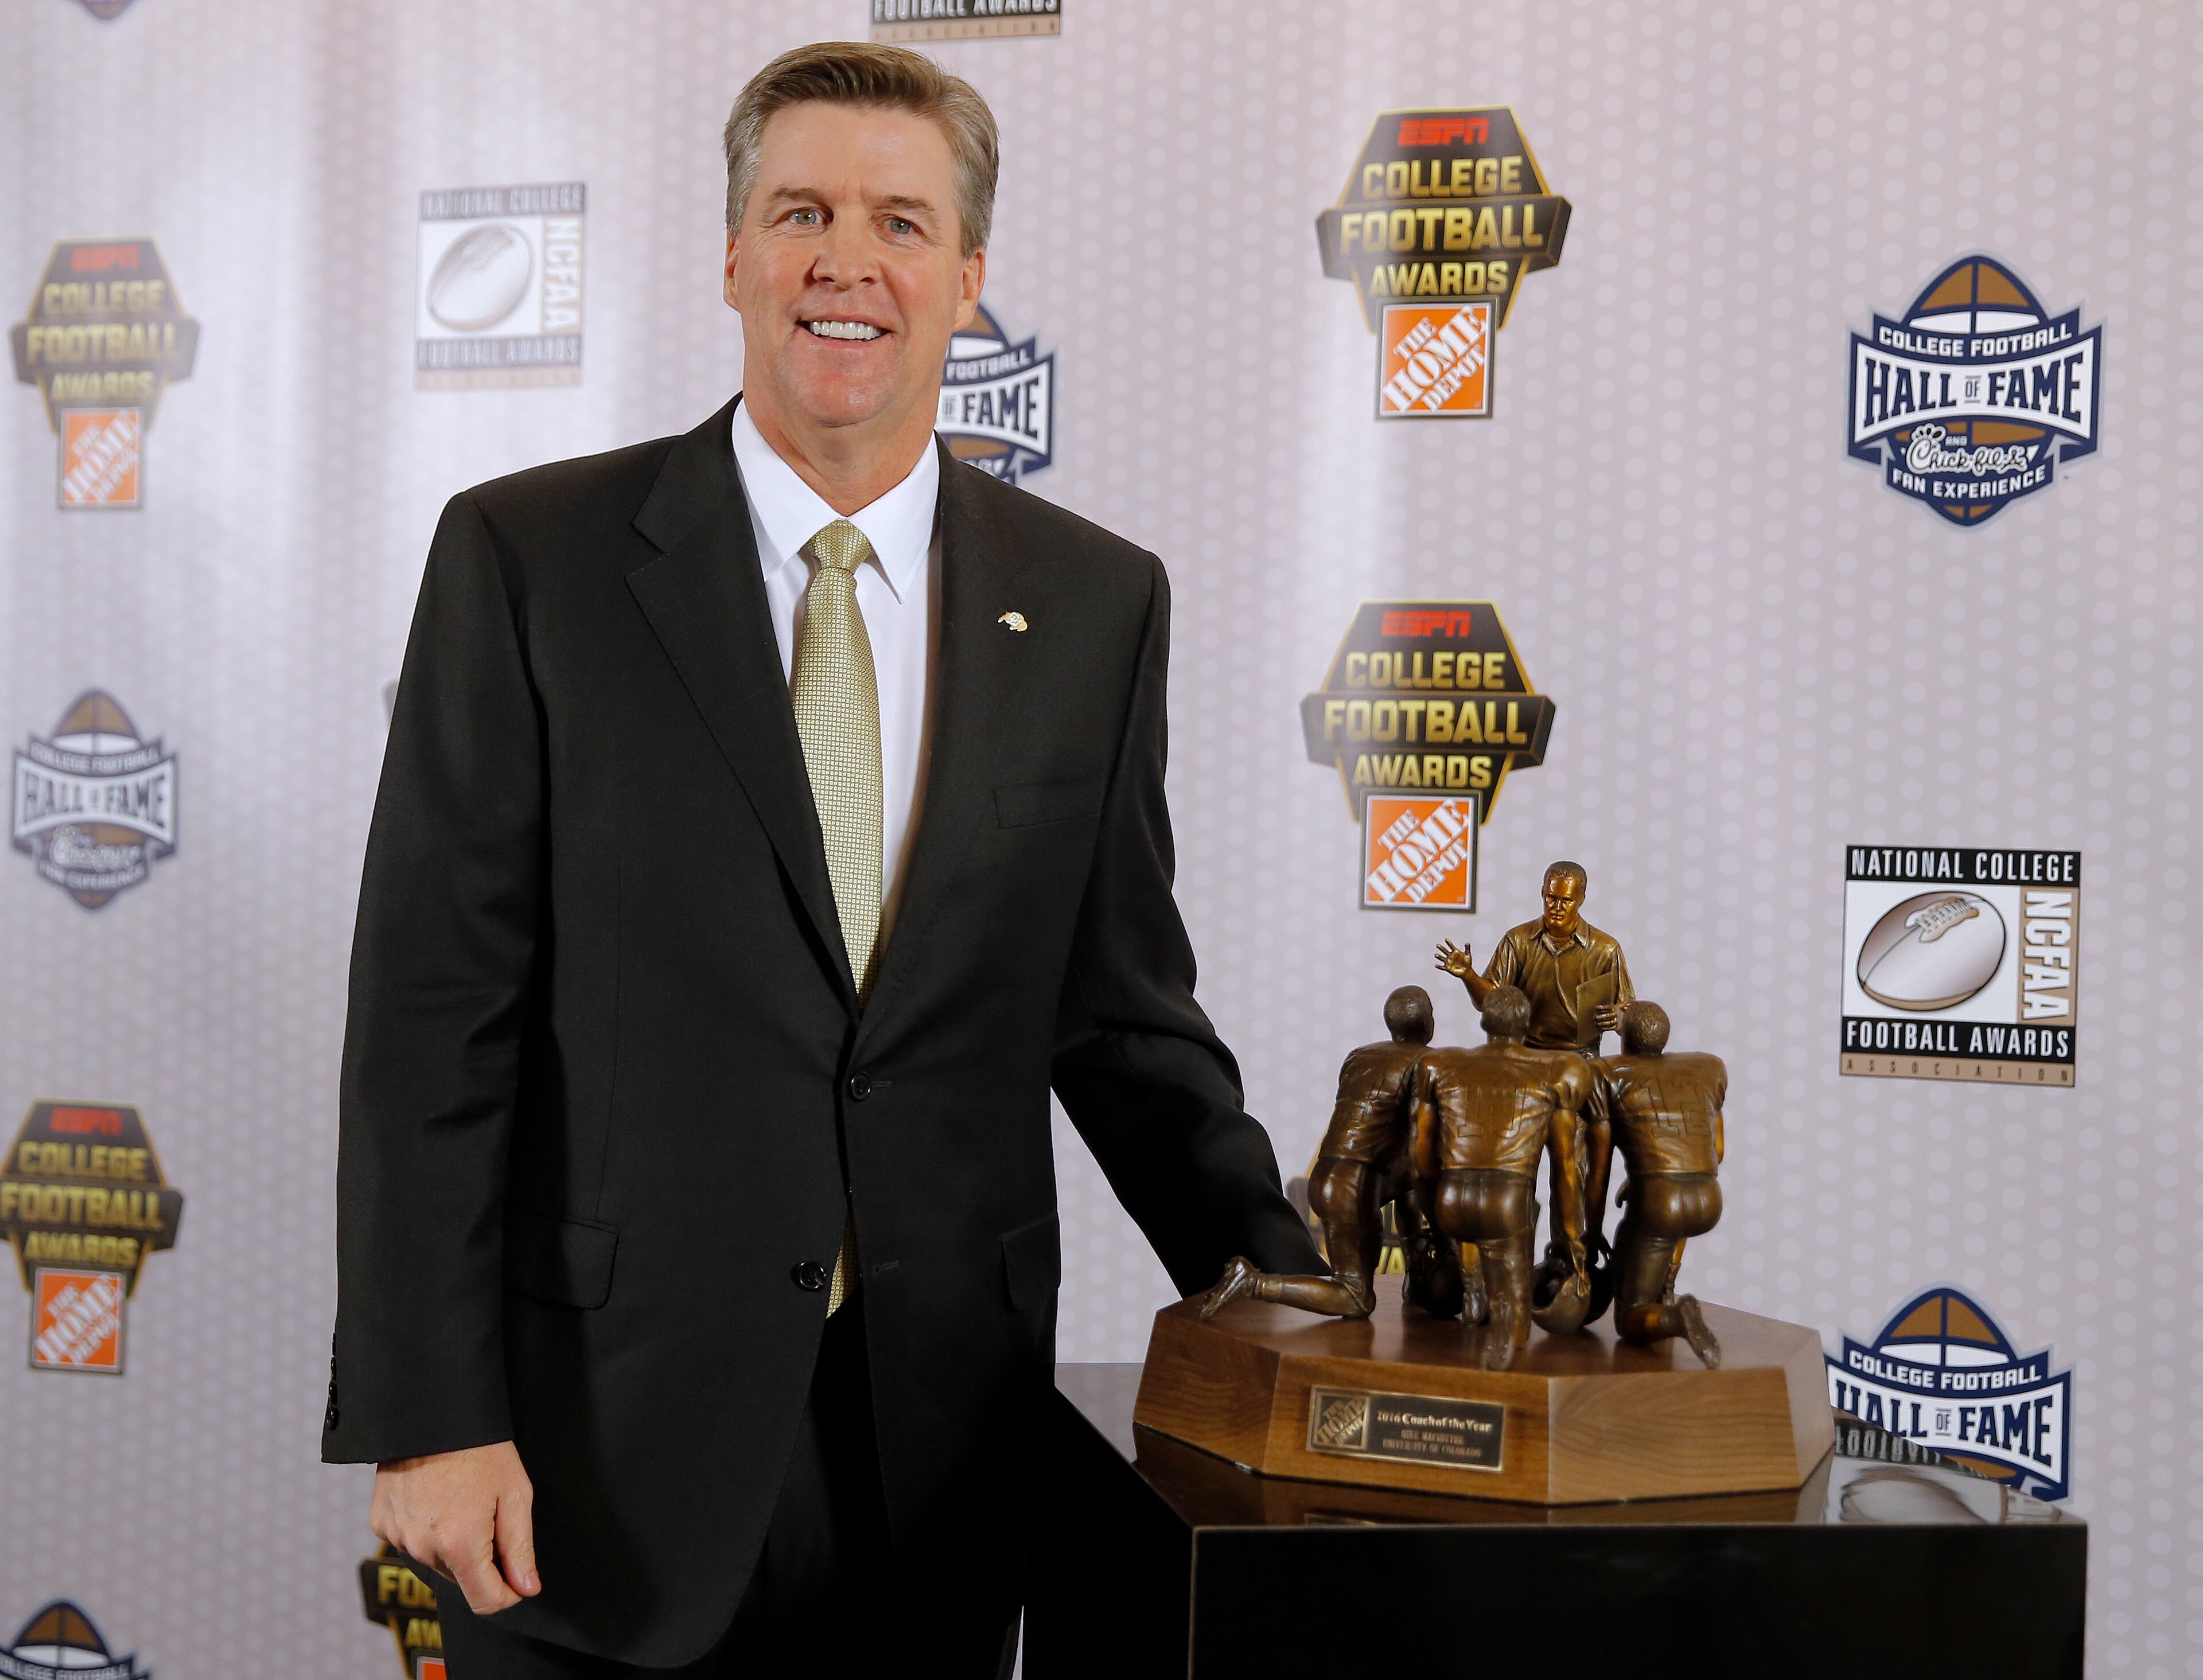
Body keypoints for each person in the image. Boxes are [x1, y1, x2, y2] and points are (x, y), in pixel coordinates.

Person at [324, 42, 1318, 1679]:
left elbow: (1122, 1020)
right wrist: (431, 1416)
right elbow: (434, 1022)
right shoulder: (529, 563)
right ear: (732, 256)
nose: (848, 261)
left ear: (970, 275)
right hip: (590, 1456)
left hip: (935, 1451)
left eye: (901, 222)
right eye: (802, 212)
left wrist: (1312, 1300)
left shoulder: (1093, 604)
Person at [1200, 986, 1462, 1322]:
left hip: (1329, 1177)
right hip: (1354, 1186)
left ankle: (1413, 1275)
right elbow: (1422, 1148)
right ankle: (1253, 1282)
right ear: (1429, 1023)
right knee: (1355, 1298)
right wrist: (1447, 1241)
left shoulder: (1359, 1056)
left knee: (1411, 1187)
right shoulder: (1430, 1064)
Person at [1414, 987, 1595, 1369]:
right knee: (1517, 1329)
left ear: (1484, 1022)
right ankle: (1504, 1319)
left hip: (1452, 1198)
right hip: (1506, 1200)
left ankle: (1472, 1283)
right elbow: (1565, 1167)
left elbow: (1422, 1159)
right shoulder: (1558, 1069)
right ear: (1527, 1026)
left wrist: (1434, 1213)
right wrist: (1574, 1238)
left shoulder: (1440, 1064)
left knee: (1470, 1218)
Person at [1591, 1001, 1725, 1368]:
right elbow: (1717, 1150)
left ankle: (1675, 1318)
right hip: (1708, 1197)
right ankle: (1667, 1283)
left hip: (1661, 1202)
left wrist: (1587, 1233)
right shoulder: (1707, 1068)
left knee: (1629, 1317)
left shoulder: (1608, 1073)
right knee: (1652, 1232)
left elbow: (1597, 1173)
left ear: (1625, 1037)